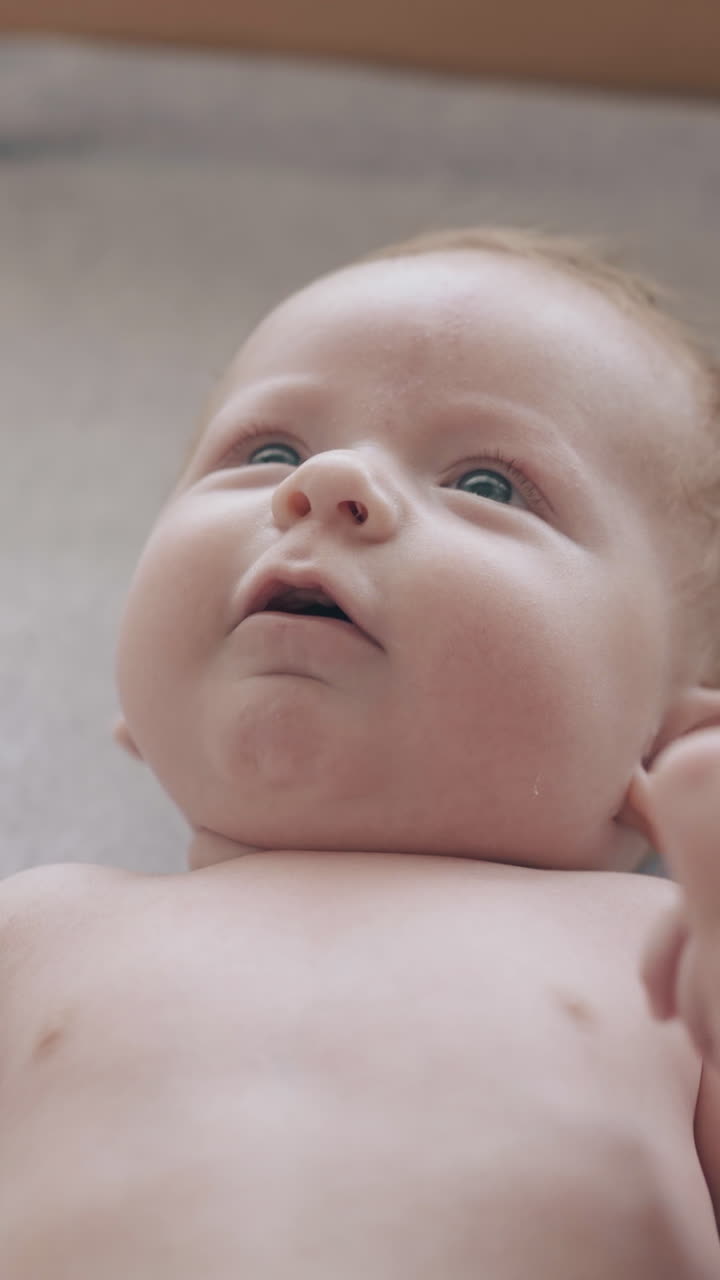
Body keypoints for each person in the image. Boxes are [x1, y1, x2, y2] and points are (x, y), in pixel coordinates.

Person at [3, 225, 720, 1277]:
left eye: (487, 483)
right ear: (135, 716)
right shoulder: (35, 924)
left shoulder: (659, 946)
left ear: (667, 744)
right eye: (270, 454)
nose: (328, 482)